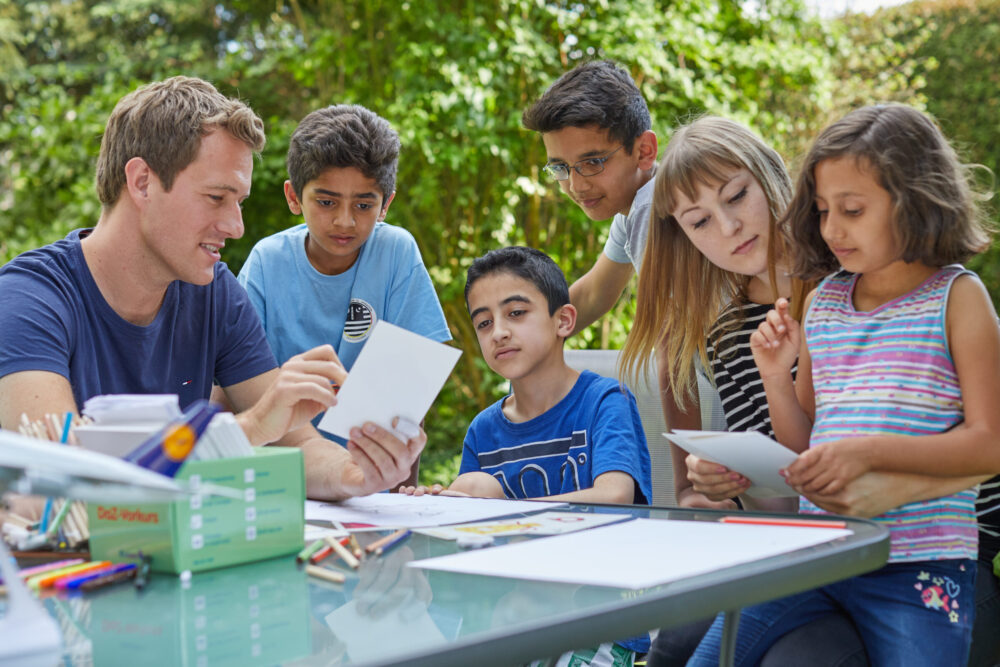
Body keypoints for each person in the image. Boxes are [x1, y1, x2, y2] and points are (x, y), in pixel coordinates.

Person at [0, 76, 424, 503]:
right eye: (217, 197)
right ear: (142, 181)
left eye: (238, 201)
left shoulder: (215, 293)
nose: (236, 227)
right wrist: (251, 427)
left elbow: (299, 445)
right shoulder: (28, 300)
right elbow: (54, 484)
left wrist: (355, 475)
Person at [689, 104, 1000, 666]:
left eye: (852, 210)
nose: (831, 229)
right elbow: (804, 445)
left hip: (920, 565)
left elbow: (990, 442)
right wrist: (774, 380)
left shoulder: (959, 298)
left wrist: (867, 454)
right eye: (824, 210)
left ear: (916, 200)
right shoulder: (826, 301)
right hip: (818, 552)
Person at [406, 245, 652, 666]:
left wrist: (501, 511)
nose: (498, 331)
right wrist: (442, 509)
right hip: (512, 611)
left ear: (564, 320)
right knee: (471, 487)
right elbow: (474, 548)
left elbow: (615, 496)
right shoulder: (484, 429)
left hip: (596, 614)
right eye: (484, 322)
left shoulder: (604, 399)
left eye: (515, 313)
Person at [236, 104, 450, 374]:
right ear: (293, 197)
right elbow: (238, 376)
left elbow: (417, 372)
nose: (345, 221)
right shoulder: (266, 262)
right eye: (326, 202)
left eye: (363, 206)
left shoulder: (396, 251)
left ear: (385, 205)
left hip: (375, 417)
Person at [522, 60, 658, 333]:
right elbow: (593, 295)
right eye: (560, 167)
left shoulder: (655, 207)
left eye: (593, 162)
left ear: (644, 151)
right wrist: (527, 339)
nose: (576, 186)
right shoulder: (630, 211)